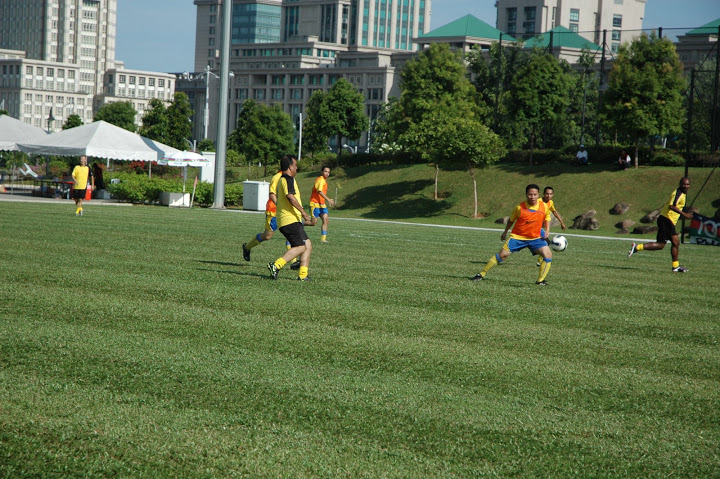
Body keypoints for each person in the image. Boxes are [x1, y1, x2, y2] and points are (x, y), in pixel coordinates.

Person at [471, 184, 553, 285]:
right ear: (526, 194)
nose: (532, 197)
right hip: (518, 237)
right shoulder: (519, 208)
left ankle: (540, 281)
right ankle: (481, 274)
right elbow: (511, 220)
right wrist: (505, 232)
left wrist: (547, 230)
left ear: (538, 194)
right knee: (502, 255)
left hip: (535, 237)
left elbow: (547, 217)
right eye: (530, 194)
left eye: (535, 194)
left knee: (548, 255)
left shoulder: (544, 206)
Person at [242, 157, 301, 269]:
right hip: (273, 211)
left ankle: (294, 261)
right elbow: (272, 193)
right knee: (267, 236)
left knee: (291, 234)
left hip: (286, 213)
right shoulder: (277, 177)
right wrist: (279, 205)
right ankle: (247, 247)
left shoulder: (290, 178)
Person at [628, 177, 693, 273]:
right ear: (680, 184)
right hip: (667, 220)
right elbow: (672, 206)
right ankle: (675, 267)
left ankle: (637, 247)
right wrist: (685, 215)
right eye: (684, 184)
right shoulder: (678, 193)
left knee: (661, 245)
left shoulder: (683, 194)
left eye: (687, 184)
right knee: (675, 242)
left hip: (666, 220)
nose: (686, 186)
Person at [267, 156, 317, 281]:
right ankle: (276, 265)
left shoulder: (286, 179)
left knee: (308, 244)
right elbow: (290, 197)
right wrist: (304, 213)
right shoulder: (287, 179)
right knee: (300, 246)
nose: (296, 167)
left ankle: (302, 275)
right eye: (295, 165)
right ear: (290, 167)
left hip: (292, 219)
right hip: (288, 220)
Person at [535, 186, 566, 266]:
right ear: (543, 194)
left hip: (539, 227)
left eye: (550, 194)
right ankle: (540, 260)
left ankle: (540, 260)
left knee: (546, 242)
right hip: (534, 226)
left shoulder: (550, 202)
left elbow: (554, 212)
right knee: (546, 242)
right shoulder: (537, 201)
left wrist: (562, 222)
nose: (548, 196)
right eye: (547, 194)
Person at [309, 165, 335, 243]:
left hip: (322, 204)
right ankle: (299, 224)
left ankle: (323, 239)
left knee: (326, 220)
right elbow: (319, 191)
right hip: (315, 204)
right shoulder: (320, 180)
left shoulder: (324, 180)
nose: (327, 173)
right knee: (313, 223)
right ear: (322, 172)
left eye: (328, 172)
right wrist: (328, 199)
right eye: (325, 171)